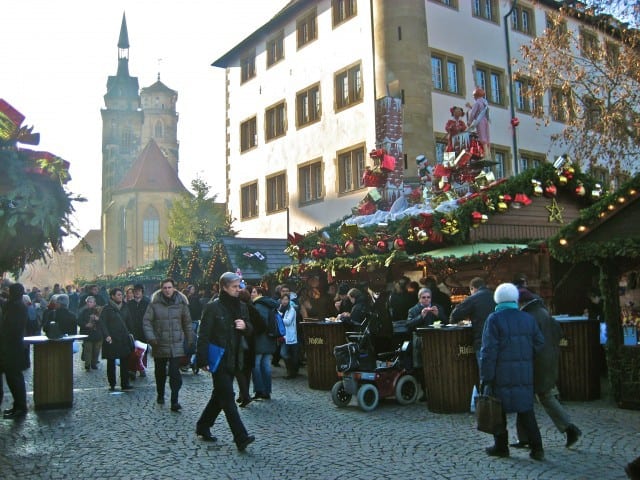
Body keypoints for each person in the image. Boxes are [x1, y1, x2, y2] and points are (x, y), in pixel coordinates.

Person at [480, 283, 545, 461]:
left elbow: (488, 351)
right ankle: (537, 447)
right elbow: (540, 343)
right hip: (524, 372)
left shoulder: (494, 319)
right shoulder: (527, 318)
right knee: (526, 410)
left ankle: (501, 446)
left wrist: (486, 377)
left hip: (500, 373)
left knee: (498, 410)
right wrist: (525, 356)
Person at [511, 287, 582, 449]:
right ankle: (565, 428)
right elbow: (558, 333)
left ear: (521, 302)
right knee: (542, 396)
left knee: (529, 398)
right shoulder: (543, 312)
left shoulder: (528, 316)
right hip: (549, 359)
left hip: (536, 362)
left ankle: (567, 429)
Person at [195, 272, 255, 451]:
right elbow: (203, 334)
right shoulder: (213, 308)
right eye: (235, 287)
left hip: (236, 358)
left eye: (239, 286)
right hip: (219, 358)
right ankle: (240, 437)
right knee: (228, 397)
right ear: (224, 287)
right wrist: (202, 359)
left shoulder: (242, 307)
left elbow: (251, 329)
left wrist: (245, 327)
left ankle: (203, 425)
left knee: (219, 396)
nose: (239, 290)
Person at [143, 278, 194, 411]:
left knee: (174, 372)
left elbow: (187, 323)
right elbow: (147, 322)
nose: (167, 290)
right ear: (161, 289)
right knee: (160, 372)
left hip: (177, 342)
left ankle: (174, 400)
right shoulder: (154, 304)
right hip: (160, 343)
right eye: (165, 288)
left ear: (174, 288)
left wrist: (190, 340)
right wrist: (151, 338)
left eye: (169, 287)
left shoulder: (182, 304)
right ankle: (160, 393)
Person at [449, 277, 496, 369]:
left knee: (485, 374)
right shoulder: (495, 296)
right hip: (499, 340)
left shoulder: (473, 299)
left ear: (472, 288)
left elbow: (454, 315)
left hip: (482, 341)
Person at [0, 283, 29, 419]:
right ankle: (17, 406)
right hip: (11, 347)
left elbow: (12, 328)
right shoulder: (14, 304)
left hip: (12, 348)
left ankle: (21, 407)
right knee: (13, 379)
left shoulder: (17, 306)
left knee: (15, 379)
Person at [99, 287, 134, 392]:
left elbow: (129, 321)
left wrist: (132, 334)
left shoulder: (125, 307)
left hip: (123, 338)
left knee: (125, 361)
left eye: (121, 294)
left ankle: (125, 383)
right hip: (112, 339)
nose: (121, 296)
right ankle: (112, 383)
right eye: (118, 294)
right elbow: (102, 323)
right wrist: (106, 335)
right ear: (112, 296)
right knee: (111, 361)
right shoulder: (107, 309)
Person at [251, 286, 279, 400]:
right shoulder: (270, 304)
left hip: (260, 340)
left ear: (259, 294)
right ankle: (267, 390)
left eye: (253, 292)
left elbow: (260, 324)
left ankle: (260, 390)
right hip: (269, 339)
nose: (251, 294)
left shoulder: (258, 306)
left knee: (256, 365)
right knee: (266, 365)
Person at [126, 283, 150, 378]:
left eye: (139, 291)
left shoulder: (147, 303)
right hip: (132, 330)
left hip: (144, 330)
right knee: (133, 351)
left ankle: (142, 368)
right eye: (135, 291)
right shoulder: (129, 304)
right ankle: (133, 369)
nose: (137, 293)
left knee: (143, 351)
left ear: (142, 292)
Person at [77, 296, 103, 371]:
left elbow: (103, 322)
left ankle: (94, 363)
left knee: (96, 350)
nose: (89, 303)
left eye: (91, 302)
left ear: (94, 303)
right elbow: (78, 321)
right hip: (87, 334)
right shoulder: (84, 311)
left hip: (97, 334)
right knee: (88, 349)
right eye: (88, 302)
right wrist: (85, 325)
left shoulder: (99, 311)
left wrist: (97, 319)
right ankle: (87, 365)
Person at [279, 293, 299, 379]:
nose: (284, 301)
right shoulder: (280, 309)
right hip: (283, 336)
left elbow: (288, 321)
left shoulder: (291, 310)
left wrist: (279, 318)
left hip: (290, 335)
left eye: (286, 299)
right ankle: (290, 371)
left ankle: (292, 372)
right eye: (283, 299)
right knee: (285, 354)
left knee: (290, 355)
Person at [466, 86, 490, 157]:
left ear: (476, 95)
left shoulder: (477, 103)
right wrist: (470, 107)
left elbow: (473, 113)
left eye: (474, 96)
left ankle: (485, 154)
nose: (473, 97)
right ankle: (488, 153)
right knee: (486, 136)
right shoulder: (485, 103)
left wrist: (469, 122)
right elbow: (480, 111)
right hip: (485, 120)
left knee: (482, 137)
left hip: (480, 121)